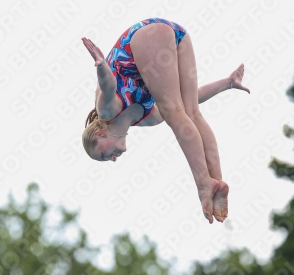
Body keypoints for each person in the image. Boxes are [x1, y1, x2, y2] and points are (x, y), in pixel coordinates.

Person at [82, 18, 250, 224]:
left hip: (145, 37)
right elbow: (191, 97)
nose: (113, 159)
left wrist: (100, 66)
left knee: (175, 113)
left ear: (99, 134)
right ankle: (215, 183)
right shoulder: (147, 117)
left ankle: (203, 185)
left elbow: (108, 87)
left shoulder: (107, 112)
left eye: (103, 155)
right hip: (178, 37)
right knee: (191, 113)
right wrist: (228, 83)